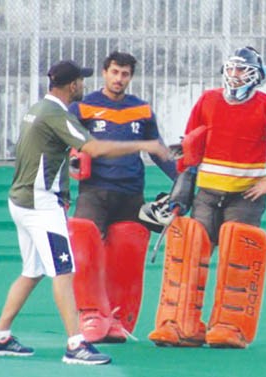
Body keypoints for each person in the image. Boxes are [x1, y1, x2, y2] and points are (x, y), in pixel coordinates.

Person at [0, 60, 169, 365]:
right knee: (64, 272)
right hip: (41, 206)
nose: (84, 84)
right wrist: (146, 144)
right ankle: (75, 345)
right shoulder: (57, 114)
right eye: (81, 80)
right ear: (72, 86)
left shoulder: (38, 108)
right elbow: (94, 149)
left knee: (32, 272)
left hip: (21, 199)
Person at [145, 46, 266, 349]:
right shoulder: (207, 100)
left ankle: (229, 327)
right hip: (207, 193)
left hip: (245, 195)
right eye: (231, 69)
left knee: (238, 261)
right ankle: (181, 324)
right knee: (190, 258)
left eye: (242, 70)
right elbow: (190, 146)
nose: (234, 76)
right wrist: (181, 188)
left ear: (256, 76)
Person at [66, 51, 177, 343]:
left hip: (131, 193)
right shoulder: (83, 107)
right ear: (105, 72)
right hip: (94, 192)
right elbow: (64, 147)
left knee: (124, 258)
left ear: (131, 76)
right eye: (115, 72)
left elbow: (158, 149)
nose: (119, 79)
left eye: (125, 74)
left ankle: (115, 319)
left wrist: (182, 182)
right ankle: (90, 316)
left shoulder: (141, 109)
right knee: (86, 252)